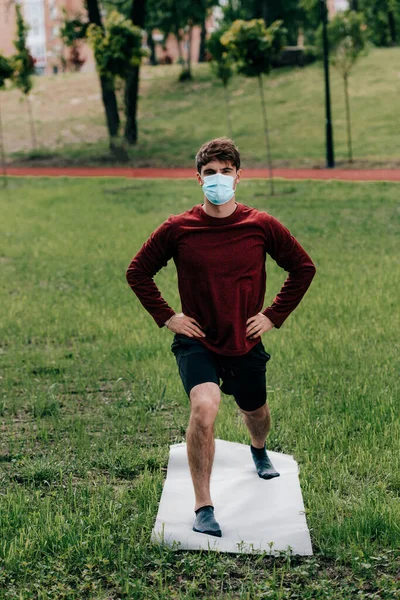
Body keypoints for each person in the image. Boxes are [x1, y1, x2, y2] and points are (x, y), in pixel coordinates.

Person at [125, 137, 317, 538]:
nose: (218, 179)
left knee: (257, 414)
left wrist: (272, 315)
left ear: (237, 177)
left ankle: (258, 449)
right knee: (204, 409)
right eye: (209, 173)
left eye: (225, 172)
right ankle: (203, 506)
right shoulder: (178, 228)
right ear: (199, 180)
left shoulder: (260, 225)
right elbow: (137, 271)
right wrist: (168, 316)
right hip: (198, 339)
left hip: (245, 339)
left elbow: (303, 268)